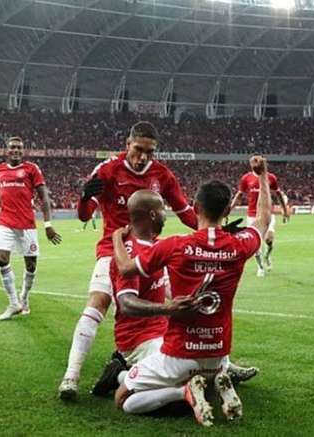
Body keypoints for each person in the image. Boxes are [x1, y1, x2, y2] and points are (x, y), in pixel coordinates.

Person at [110, 156, 273, 427]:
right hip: (219, 356)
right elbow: (264, 219)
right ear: (227, 212)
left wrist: (116, 237)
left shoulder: (175, 246)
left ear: (195, 207)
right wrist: (263, 175)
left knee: (122, 398)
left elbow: (126, 268)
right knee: (206, 368)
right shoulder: (239, 244)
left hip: (178, 355)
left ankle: (183, 391)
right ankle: (216, 383)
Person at [58, 121, 198, 400]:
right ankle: (71, 377)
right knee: (98, 302)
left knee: (187, 304)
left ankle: (217, 364)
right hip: (115, 249)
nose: (143, 157)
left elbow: (185, 212)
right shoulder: (108, 170)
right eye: (138, 150)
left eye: (150, 151)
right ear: (127, 145)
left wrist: (212, 229)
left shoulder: (163, 175)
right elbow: (85, 215)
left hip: (150, 252)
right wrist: (85, 196)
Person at [91, 190, 257, 398]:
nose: (166, 214)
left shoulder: (158, 246)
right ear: (152, 215)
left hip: (162, 330)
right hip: (138, 337)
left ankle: (222, 367)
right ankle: (120, 375)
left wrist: (220, 236)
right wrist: (167, 308)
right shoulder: (131, 250)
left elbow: (175, 282)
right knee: (193, 375)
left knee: (197, 359)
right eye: (162, 209)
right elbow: (126, 303)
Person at [0, 136, 62, 321]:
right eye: (13, 147)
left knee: (30, 265)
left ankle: (24, 297)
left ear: (23, 151)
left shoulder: (32, 169)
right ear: (7, 150)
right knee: (1, 259)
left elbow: (44, 198)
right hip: (5, 222)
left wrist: (48, 225)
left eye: (19, 148)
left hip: (27, 225)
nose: (15, 150)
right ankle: (14, 303)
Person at [230, 156, 289, 277]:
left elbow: (278, 194)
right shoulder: (246, 178)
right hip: (252, 215)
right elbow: (239, 195)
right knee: (255, 244)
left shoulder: (271, 178)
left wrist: (284, 210)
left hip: (267, 213)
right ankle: (260, 266)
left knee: (269, 239)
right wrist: (229, 208)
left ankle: (267, 255)